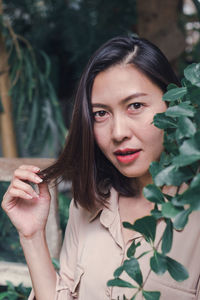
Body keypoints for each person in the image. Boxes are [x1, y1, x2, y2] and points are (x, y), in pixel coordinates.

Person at [2, 36, 200, 300]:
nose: (118, 133)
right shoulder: (88, 203)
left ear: (173, 103)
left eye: (135, 106)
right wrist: (31, 236)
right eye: (100, 114)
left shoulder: (194, 211)